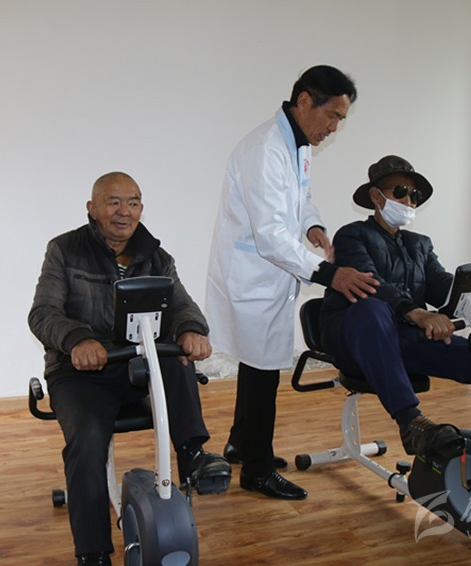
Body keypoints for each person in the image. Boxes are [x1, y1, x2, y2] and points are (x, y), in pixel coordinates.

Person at [29, 172, 231, 566]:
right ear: (92, 208)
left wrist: (191, 329)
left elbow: (181, 304)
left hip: (135, 365)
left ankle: (193, 454)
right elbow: (42, 313)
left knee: (174, 354)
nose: (125, 211)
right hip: (79, 372)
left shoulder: (157, 257)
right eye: (114, 202)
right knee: (88, 442)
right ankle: (93, 554)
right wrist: (77, 340)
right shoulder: (64, 250)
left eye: (133, 203)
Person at [205, 65, 379, 500]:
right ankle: (258, 470)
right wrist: (330, 274)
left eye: (340, 120)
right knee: (263, 371)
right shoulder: (265, 150)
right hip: (253, 273)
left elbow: (300, 198)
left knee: (256, 362)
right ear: (305, 101)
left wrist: (313, 226)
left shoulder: (297, 144)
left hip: (270, 273)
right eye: (332, 116)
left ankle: (241, 444)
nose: (334, 128)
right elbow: (270, 236)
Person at [319, 155, 471, 459]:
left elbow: (443, 284)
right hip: (358, 340)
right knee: (372, 308)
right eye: (400, 191)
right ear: (375, 196)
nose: (408, 200)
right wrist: (419, 313)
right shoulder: (352, 236)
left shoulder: (420, 244)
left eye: (414, 195)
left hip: (405, 340)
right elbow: (370, 283)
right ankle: (411, 422)